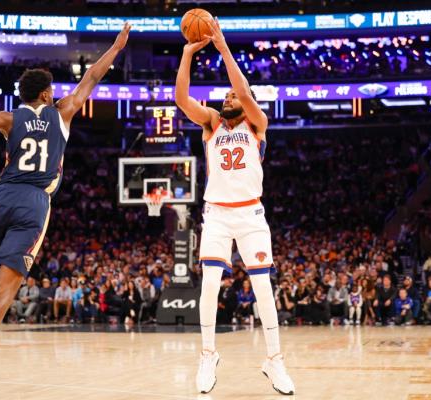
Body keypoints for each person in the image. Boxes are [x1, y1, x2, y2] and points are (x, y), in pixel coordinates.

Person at [0, 24, 131, 400]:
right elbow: (93, 75)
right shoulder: (63, 112)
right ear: (46, 93)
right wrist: (116, 46)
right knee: (8, 289)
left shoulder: (8, 118)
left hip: (0, 197)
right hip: (33, 202)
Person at [176, 18, 294, 395]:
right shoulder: (211, 124)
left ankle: (274, 361)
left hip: (251, 215)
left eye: (231, 98)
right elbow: (181, 100)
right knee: (209, 284)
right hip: (217, 215)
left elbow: (243, 91)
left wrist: (223, 47)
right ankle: (208, 355)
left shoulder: (257, 123)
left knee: (263, 288)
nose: (227, 100)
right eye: (224, 97)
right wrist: (186, 55)